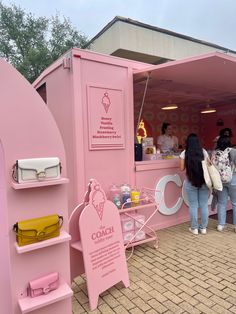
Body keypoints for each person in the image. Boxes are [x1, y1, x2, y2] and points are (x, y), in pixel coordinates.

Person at [179, 133, 210, 235]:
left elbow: (181, 168)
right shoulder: (203, 152)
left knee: (193, 205)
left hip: (190, 181)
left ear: (188, 142)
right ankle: (203, 228)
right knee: (204, 205)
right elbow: (209, 166)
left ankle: (194, 228)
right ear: (198, 142)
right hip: (204, 181)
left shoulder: (184, 153)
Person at [211, 136, 236, 232]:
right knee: (235, 203)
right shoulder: (232, 151)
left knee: (221, 203)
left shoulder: (214, 152)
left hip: (220, 181)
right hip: (233, 179)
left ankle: (220, 225)